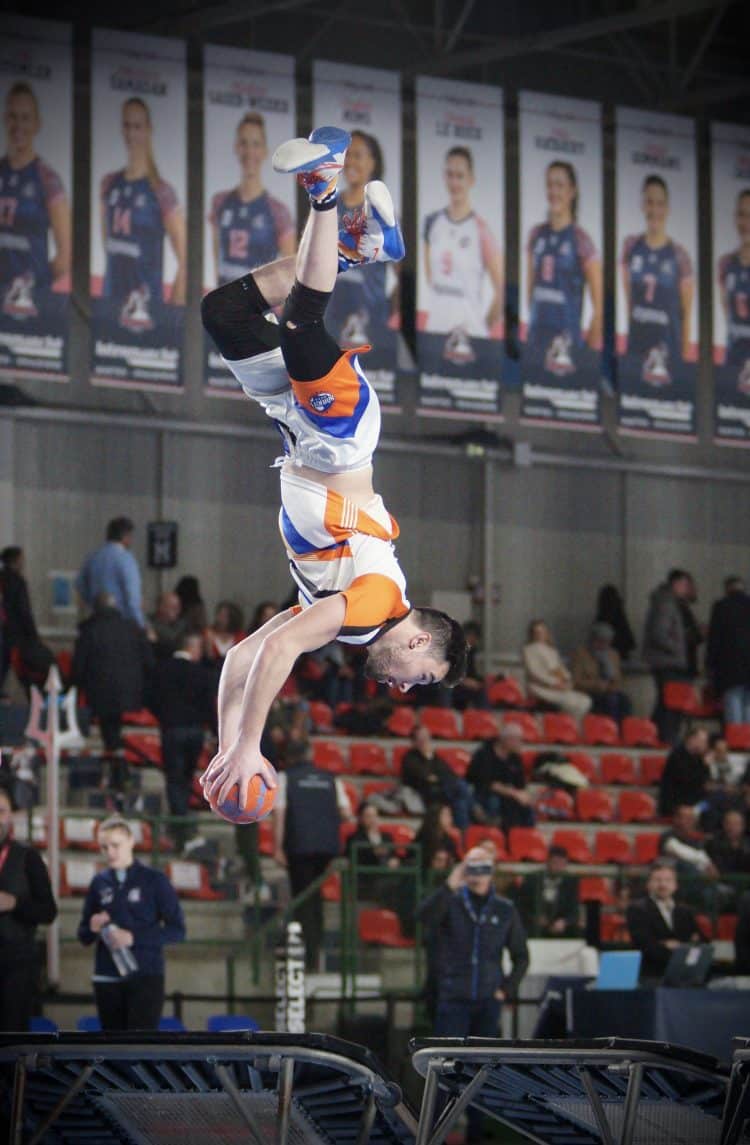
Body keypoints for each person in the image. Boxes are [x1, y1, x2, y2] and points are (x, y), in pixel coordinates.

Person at [199, 125, 466, 812]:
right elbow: (285, 646)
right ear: (416, 637)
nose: (403, 688)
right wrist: (252, 744)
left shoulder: (337, 610)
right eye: (420, 675)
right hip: (338, 439)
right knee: (300, 327)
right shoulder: (378, 604)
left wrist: (228, 742)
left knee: (227, 312)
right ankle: (324, 189)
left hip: (296, 426)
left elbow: (241, 658)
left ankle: (358, 246)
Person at [418, 847, 528, 1143]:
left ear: (493, 871)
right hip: (453, 998)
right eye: (473, 867)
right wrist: (450, 884)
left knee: (482, 1073)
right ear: (464, 869)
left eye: (484, 867)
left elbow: (521, 956)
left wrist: (506, 989)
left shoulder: (505, 909)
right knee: (442, 1070)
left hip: (487, 1003)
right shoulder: (450, 902)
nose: (478, 874)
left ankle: (479, 1136)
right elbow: (421, 918)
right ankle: (434, 1134)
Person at [77, 816, 185, 1031]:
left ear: (131, 841)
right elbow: (84, 936)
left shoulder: (154, 880)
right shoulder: (99, 882)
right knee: (112, 1048)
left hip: (146, 974)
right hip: (107, 976)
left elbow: (177, 930)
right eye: (104, 847)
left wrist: (134, 937)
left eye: (115, 845)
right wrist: (93, 927)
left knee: (139, 1046)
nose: (110, 852)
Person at [98, 97, 186, 332]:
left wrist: (171, 313)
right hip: (109, 304)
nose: (131, 133)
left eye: (137, 126)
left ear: (148, 130)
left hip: (145, 311)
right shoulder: (108, 184)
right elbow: (108, 247)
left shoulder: (160, 191)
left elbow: (187, 258)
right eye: (126, 126)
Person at [271, 739, 352, 970]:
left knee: (302, 899)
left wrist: (277, 848)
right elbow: (346, 813)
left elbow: (280, 814)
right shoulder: (331, 779)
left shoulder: (286, 778)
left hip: (299, 846)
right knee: (315, 898)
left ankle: (307, 955)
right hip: (327, 848)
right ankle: (315, 951)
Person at [0, 82, 71, 327]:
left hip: (30, 306)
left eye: (25, 118)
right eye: (12, 117)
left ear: (37, 123)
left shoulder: (47, 179)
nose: (18, 125)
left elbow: (66, 254)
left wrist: (36, 284)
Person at [526, 160, 603, 376]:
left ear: (572, 191)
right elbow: (530, 293)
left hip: (567, 350)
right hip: (536, 343)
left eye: (559, 185)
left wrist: (585, 354)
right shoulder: (536, 235)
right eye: (550, 185)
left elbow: (600, 310)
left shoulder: (581, 241)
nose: (553, 191)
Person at [326, 129, 399, 354]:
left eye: (358, 155)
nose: (350, 162)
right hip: (330, 320)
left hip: (370, 324)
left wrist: (386, 312)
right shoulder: (328, 205)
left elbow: (400, 269)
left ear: (372, 163)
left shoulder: (383, 212)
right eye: (347, 155)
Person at [423, 145, 504, 348]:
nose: (454, 182)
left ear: (471, 179)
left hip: (469, 339)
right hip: (435, 333)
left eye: (460, 176)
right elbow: (431, 279)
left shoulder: (481, 230)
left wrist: (480, 329)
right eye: (450, 175)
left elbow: (502, 290)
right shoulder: (432, 223)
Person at [71, 592, 154, 785]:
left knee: (110, 731)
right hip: (130, 693)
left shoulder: (90, 630)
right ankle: (119, 769)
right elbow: (149, 662)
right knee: (114, 731)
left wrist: (75, 690)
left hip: (101, 693)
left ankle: (119, 771)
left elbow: (79, 666)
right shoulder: (132, 628)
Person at [621, 174, 694, 388]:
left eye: (660, 203)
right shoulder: (630, 247)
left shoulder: (680, 256)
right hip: (636, 353)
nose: (655, 210)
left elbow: (686, 317)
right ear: (642, 205)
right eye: (650, 202)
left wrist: (683, 365)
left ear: (668, 208)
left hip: (668, 359)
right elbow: (629, 306)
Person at [147, 631, 217, 851]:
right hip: (195, 732)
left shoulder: (161, 669)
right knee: (185, 779)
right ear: (192, 648)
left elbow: (149, 698)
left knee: (174, 779)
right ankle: (183, 828)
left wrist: (164, 717)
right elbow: (210, 706)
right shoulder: (202, 673)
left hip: (171, 730)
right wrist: (215, 732)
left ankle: (181, 827)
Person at [209, 111, 295, 287]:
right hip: (226, 308)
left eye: (256, 144)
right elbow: (218, 265)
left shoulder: (278, 212)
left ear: (265, 151)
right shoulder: (219, 202)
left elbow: (291, 274)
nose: (249, 151)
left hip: (259, 310)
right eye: (244, 143)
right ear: (236, 147)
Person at [0, 786, 57, 1032]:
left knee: (13, 1041)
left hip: (16, 966)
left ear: (11, 815)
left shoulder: (28, 857)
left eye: (1, 811)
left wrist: (15, 904)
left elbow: (48, 911)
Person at [626, 860, 706, 982]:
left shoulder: (685, 911)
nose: (663, 885)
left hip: (684, 975)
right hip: (652, 976)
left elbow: (699, 940)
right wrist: (680, 949)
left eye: (668, 880)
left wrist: (670, 945)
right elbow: (645, 945)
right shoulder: (637, 909)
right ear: (649, 884)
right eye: (658, 880)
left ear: (675, 885)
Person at [642, 569, 694, 744]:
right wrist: (677, 649)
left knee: (666, 701)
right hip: (667, 662)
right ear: (676, 584)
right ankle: (664, 736)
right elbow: (659, 633)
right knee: (669, 702)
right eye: (685, 585)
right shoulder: (666, 604)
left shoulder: (667, 603)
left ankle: (655, 734)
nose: (687, 589)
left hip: (666, 661)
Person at [0, 546, 53, 690]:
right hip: (15, 635)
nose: (23, 563)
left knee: (3, 666)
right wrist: (34, 635)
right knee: (23, 671)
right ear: (16, 561)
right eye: (21, 559)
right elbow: (24, 611)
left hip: (4, 632)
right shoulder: (17, 582)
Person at [77, 517, 144, 628]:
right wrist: (141, 625)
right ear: (126, 536)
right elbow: (133, 599)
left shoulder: (93, 557)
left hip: (97, 621)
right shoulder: (126, 559)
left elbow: (80, 585)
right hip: (122, 623)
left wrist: (93, 603)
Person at [400, 724, 472, 828]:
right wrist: (428, 760)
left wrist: (436, 775)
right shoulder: (409, 758)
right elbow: (425, 777)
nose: (425, 741)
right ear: (414, 741)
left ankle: (463, 833)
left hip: (442, 791)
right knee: (460, 789)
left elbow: (449, 774)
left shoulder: (435, 757)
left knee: (460, 802)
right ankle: (475, 811)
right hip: (424, 794)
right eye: (422, 738)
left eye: (427, 737)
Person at [466, 722, 534, 831]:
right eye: (519, 740)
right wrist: (515, 793)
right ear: (508, 739)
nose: (521, 743)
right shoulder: (484, 754)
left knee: (526, 807)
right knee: (495, 803)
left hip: (507, 795)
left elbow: (520, 784)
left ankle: (525, 837)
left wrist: (523, 795)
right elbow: (487, 783)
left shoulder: (515, 758)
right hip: (483, 793)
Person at [717, 188, 750, 395]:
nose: (746, 222)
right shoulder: (725, 264)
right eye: (742, 215)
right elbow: (727, 315)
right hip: (732, 364)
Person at [522, 619, 591, 719]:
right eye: (537, 632)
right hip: (541, 687)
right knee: (571, 703)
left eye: (543, 632)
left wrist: (567, 679)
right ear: (532, 634)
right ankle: (562, 725)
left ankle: (569, 726)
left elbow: (560, 668)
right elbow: (534, 673)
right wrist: (554, 683)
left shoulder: (551, 650)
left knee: (585, 701)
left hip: (559, 685)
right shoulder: (528, 650)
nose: (541, 635)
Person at [706, 575, 750, 727]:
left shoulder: (721, 607)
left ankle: (736, 743)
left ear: (727, 589)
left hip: (729, 669)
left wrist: (710, 666)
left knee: (733, 705)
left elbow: (714, 640)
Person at [571, 622, 632, 724]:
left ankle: (622, 730)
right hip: (589, 691)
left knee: (624, 701)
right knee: (610, 700)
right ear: (592, 640)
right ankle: (609, 729)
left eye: (606, 642)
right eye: (600, 641)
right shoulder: (580, 654)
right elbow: (576, 681)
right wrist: (596, 684)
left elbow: (618, 679)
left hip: (609, 690)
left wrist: (611, 685)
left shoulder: (613, 655)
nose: (603, 645)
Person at [517, 844, 579, 938]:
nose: (558, 867)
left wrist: (564, 922)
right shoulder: (532, 879)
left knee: (576, 930)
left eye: (562, 864)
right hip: (534, 925)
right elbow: (521, 907)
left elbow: (574, 910)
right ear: (548, 862)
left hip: (560, 926)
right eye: (555, 863)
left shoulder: (571, 881)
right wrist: (535, 918)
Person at [346, 801, 400, 901]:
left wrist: (394, 860)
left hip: (389, 874)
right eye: (368, 816)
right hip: (368, 880)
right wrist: (373, 853)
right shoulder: (354, 838)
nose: (372, 819)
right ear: (360, 818)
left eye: (375, 816)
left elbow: (395, 855)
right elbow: (354, 859)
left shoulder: (387, 837)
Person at [658, 727, 711, 816]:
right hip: (677, 802)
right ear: (692, 739)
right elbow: (688, 781)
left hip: (693, 800)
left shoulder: (698, 757)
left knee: (715, 801)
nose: (705, 745)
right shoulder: (677, 756)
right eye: (703, 741)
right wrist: (704, 766)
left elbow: (704, 780)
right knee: (709, 805)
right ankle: (695, 814)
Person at [659, 804, 717, 882]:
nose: (691, 821)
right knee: (686, 866)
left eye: (692, 818)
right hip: (676, 878)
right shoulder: (667, 836)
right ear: (676, 819)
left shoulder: (694, 839)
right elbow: (682, 852)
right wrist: (707, 864)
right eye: (687, 818)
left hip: (696, 878)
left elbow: (701, 855)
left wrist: (709, 864)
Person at [594, 584, 635, 662]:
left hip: (605, 657)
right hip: (621, 656)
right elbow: (630, 641)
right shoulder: (620, 615)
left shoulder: (602, 617)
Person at [414, 803, 461, 871]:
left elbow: (456, 859)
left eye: (450, 815)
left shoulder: (448, 838)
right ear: (436, 817)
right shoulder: (424, 836)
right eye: (447, 815)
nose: (450, 819)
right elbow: (421, 860)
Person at [147, 591, 188, 659]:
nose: (178, 610)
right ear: (161, 607)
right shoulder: (148, 622)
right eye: (173, 607)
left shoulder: (182, 624)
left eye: (178, 607)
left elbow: (172, 638)